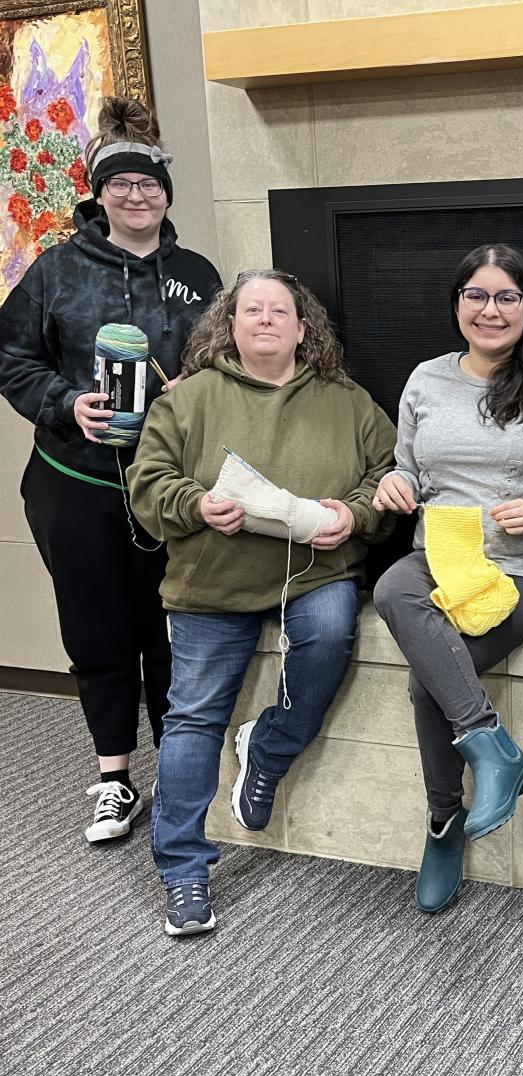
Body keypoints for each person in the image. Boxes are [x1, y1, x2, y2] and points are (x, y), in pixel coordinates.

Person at [127, 270, 396, 936]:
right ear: (231, 323)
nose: (268, 320)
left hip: (314, 574)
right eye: (254, 310)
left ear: (305, 329)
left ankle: (269, 747)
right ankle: (184, 871)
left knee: (334, 631)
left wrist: (354, 514)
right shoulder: (188, 401)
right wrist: (195, 504)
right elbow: (147, 483)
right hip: (211, 582)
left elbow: (389, 475)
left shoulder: (348, 400)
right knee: (191, 717)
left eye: (282, 311)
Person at [0, 96, 221, 842]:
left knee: (172, 634)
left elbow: (223, 365)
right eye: (120, 184)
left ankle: (183, 777)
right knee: (97, 632)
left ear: (165, 190)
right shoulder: (56, 270)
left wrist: (200, 388)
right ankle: (114, 779)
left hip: (169, 484)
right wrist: (66, 405)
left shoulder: (196, 273)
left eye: (149, 183)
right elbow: (12, 358)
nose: (137, 195)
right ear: (98, 193)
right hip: (76, 483)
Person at [371, 244, 523, 914]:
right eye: (477, 296)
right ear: (458, 304)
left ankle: (442, 822)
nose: (491, 310)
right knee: (392, 588)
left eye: (506, 297)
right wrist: (396, 484)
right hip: (443, 557)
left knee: (430, 680)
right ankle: (491, 748)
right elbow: (408, 469)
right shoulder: (426, 380)